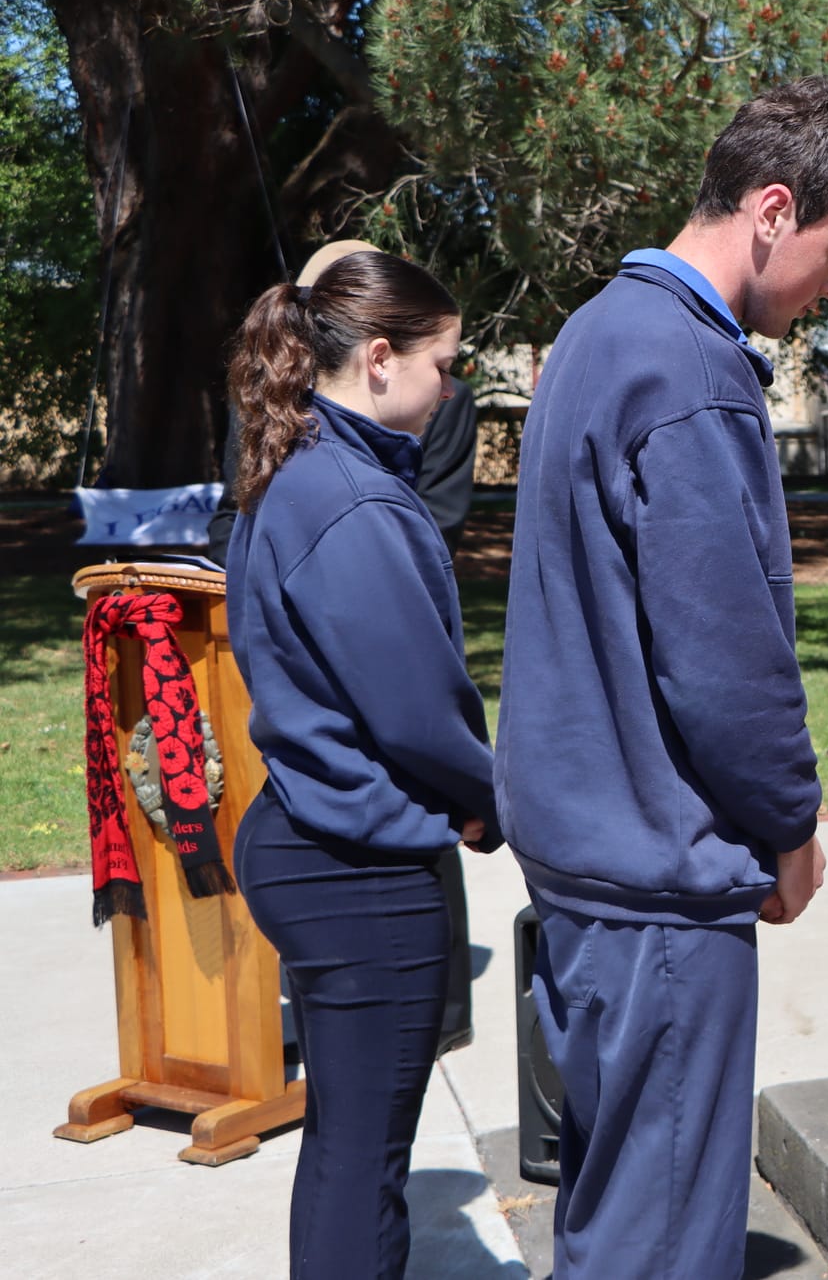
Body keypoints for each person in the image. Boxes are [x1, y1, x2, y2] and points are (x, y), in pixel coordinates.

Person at [496, 74, 828, 1277]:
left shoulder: (595, 331)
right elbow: (726, 658)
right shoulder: (688, 368)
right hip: (656, 878)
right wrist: (790, 823)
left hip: (587, 849)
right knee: (661, 1233)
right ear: (773, 210)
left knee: (613, 1196)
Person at [224, 248, 502, 1278]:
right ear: (378, 358)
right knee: (363, 1157)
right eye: (445, 363)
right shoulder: (353, 501)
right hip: (353, 869)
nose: (451, 389)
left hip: (310, 841)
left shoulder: (296, 470)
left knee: (343, 1144)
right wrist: (490, 802)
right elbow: (419, 715)